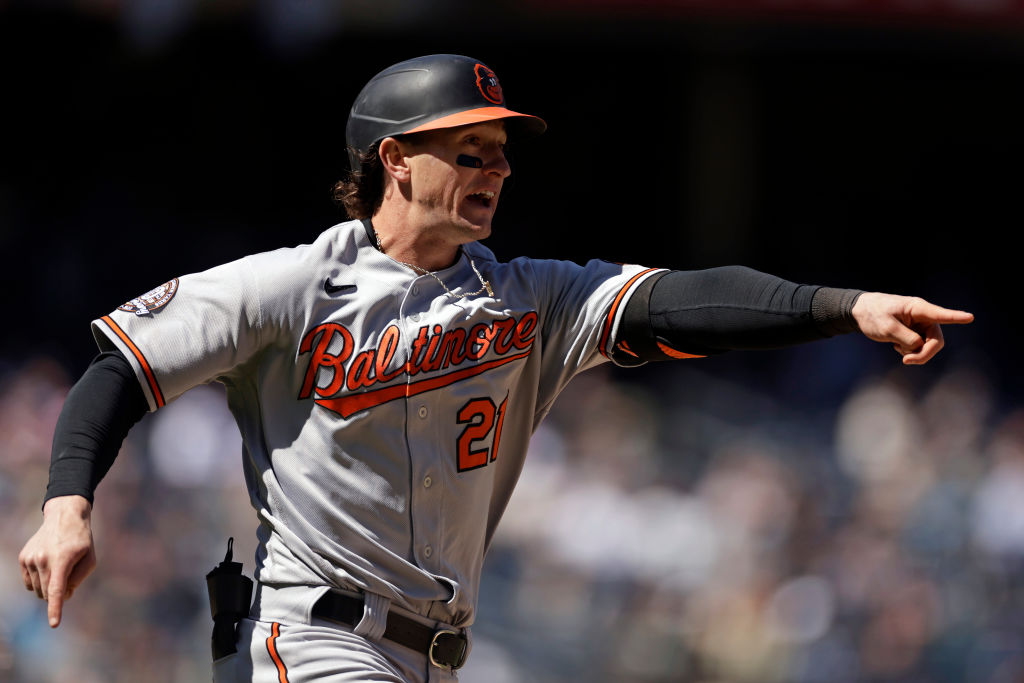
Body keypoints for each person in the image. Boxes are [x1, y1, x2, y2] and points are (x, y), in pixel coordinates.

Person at [18, 54, 974, 682]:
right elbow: (118, 367)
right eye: (469, 150)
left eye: (503, 155)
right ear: (394, 159)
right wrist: (69, 503)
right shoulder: (293, 285)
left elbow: (680, 301)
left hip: (436, 655)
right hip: (311, 639)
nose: (497, 170)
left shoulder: (527, 296)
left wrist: (840, 306)